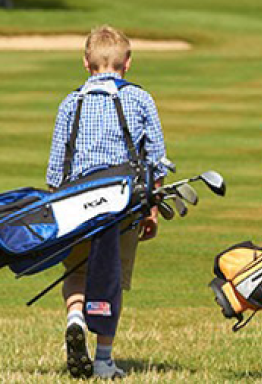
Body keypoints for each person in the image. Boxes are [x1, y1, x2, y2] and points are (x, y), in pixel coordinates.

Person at [47, 25, 167, 379]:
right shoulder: (141, 99)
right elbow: (156, 159)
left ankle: (74, 318)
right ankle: (103, 359)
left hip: (74, 202)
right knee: (110, 278)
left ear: (86, 62)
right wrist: (154, 210)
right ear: (127, 63)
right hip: (123, 203)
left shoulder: (71, 102)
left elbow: (56, 168)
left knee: (77, 272)